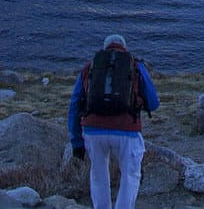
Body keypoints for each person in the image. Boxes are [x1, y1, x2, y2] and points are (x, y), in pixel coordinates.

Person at [68, 32, 160, 209]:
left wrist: (76, 142)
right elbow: (154, 103)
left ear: (104, 48)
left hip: (93, 130)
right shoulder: (135, 65)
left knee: (98, 175)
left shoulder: (90, 67)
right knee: (130, 175)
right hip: (127, 130)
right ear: (124, 47)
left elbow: (74, 105)